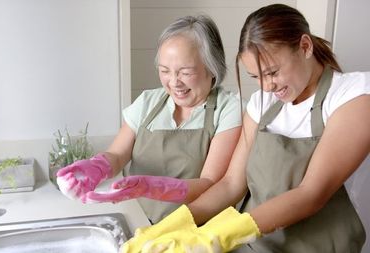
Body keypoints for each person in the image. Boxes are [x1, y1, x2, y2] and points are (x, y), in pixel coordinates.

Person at [119, 4, 369, 253]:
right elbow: (230, 184)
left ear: (305, 47)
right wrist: (176, 225)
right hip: (257, 245)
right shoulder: (264, 103)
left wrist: (219, 234)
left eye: (272, 72)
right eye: (256, 77)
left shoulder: (352, 95)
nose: (267, 86)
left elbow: (310, 194)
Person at [56, 15, 243, 223]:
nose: (174, 82)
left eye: (185, 72)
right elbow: (117, 155)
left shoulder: (228, 109)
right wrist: (98, 167)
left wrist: (153, 187)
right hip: (139, 221)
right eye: (164, 71)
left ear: (212, 67)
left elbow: (210, 183)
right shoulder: (148, 102)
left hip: (194, 228)